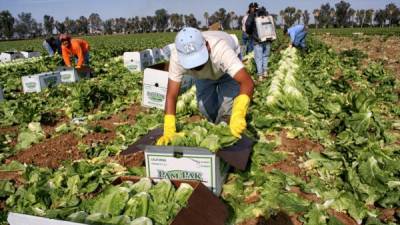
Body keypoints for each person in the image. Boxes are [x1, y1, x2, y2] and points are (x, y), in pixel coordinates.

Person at [157, 27, 255, 145]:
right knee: (205, 107)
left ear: (207, 47)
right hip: (203, 77)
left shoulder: (221, 50)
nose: (196, 66)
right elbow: (171, 94)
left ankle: (227, 137)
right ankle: (216, 127)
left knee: (228, 109)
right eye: (191, 62)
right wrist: (169, 129)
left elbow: (247, 82)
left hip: (225, 71)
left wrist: (239, 113)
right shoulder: (177, 57)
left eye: (198, 60)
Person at [246, 4, 272, 81]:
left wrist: (250, 33)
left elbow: (247, 24)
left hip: (258, 40)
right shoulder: (266, 14)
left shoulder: (253, 15)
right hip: (267, 39)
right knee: (265, 56)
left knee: (258, 58)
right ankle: (265, 72)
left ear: (252, 9)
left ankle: (260, 76)